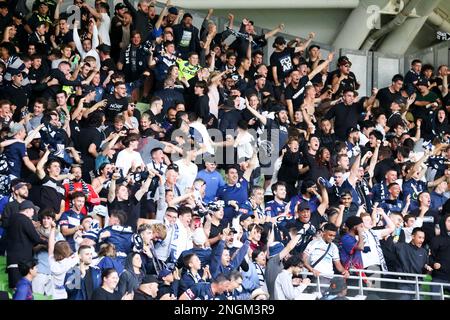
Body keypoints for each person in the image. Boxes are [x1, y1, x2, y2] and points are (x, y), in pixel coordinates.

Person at [6, 200, 45, 289]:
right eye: (33, 211)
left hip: (12, 261)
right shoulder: (25, 219)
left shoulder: (12, 220)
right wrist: (48, 242)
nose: (33, 213)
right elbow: (36, 238)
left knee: (15, 290)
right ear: (27, 210)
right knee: (22, 289)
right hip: (22, 262)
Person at [303, 223, 349, 291]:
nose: (332, 238)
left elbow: (338, 264)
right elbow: (303, 259)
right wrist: (312, 270)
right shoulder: (314, 243)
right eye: (330, 235)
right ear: (324, 233)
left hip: (330, 278)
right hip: (318, 277)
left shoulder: (334, 247)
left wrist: (344, 271)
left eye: (334, 236)